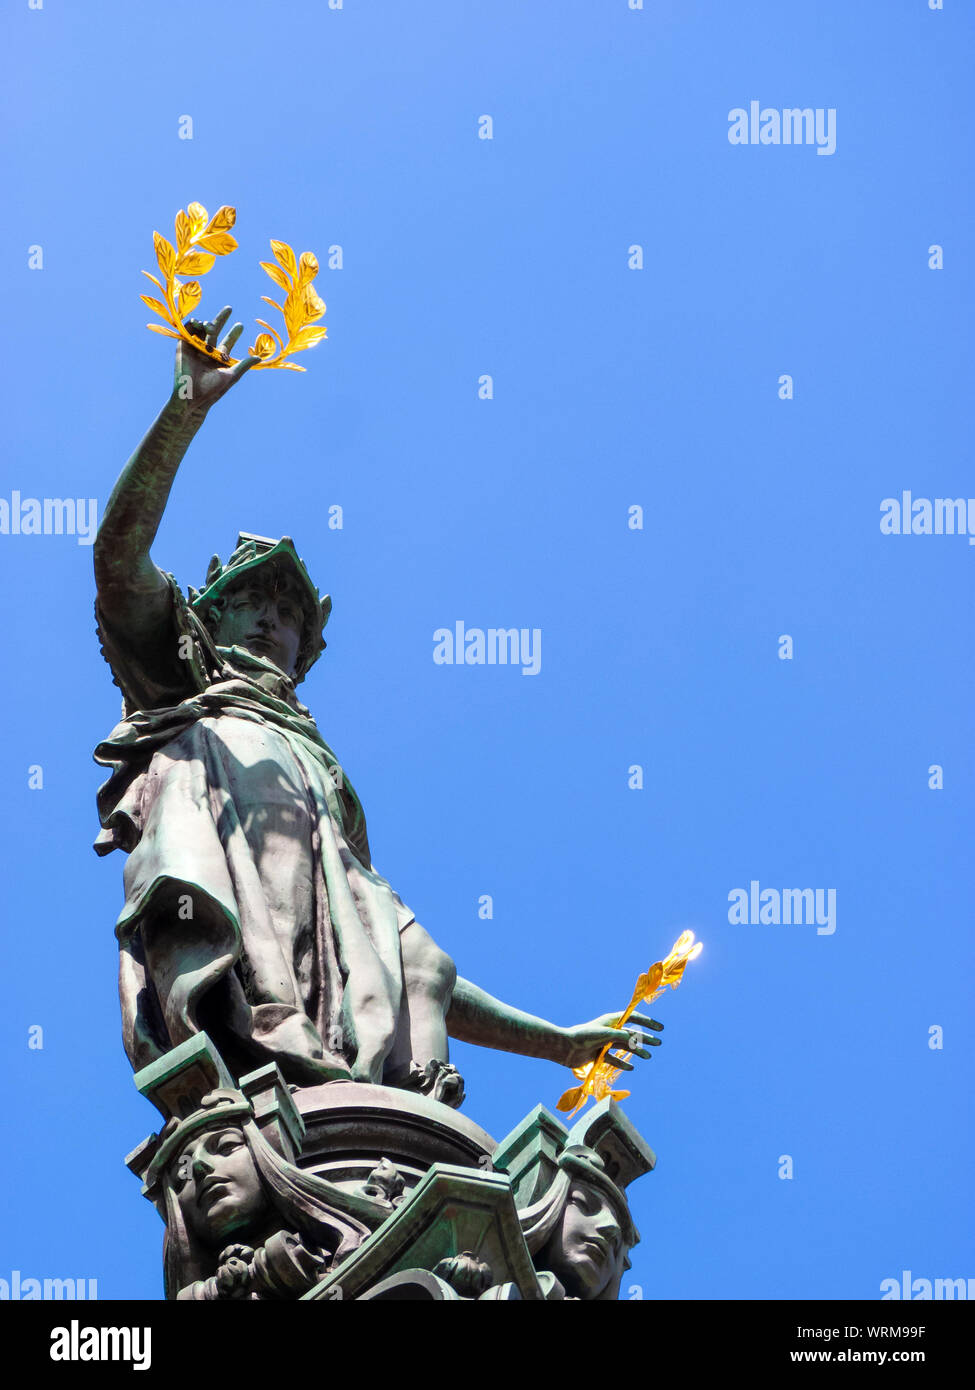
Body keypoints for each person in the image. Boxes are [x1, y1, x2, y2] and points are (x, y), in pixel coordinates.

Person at [94, 308, 663, 1098]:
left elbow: (415, 971)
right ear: (208, 617)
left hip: (368, 1102)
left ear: (308, 646)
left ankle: (417, 1107)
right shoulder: (186, 690)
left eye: (289, 614)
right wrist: (184, 413)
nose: (271, 621)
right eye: (251, 602)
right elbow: (118, 558)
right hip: (251, 1019)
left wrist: (559, 1045)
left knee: (424, 958)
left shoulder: (319, 777)